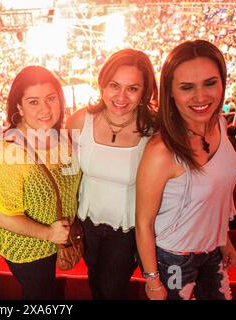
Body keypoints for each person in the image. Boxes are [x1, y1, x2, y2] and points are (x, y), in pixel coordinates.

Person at [136, 40, 236, 300]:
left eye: (210, 83)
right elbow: (144, 222)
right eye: (187, 88)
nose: (201, 97)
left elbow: (217, 192)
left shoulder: (219, 124)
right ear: (170, 92)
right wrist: (152, 281)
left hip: (213, 249)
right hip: (175, 256)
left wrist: (223, 239)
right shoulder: (161, 151)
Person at [0, 66, 81, 300]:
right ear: (19, 107)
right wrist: (48, 234)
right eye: (33, 102)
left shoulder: (62, 139)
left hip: (59, 239)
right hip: (29, 248)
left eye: (51, 98)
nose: (45, 109)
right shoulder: (7, 152)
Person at [67, 49, 158, 299]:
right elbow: (67, 172)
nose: (121, 96)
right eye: (114, 85)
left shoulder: (154, 131)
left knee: (110, 291)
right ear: (103, 85)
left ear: (144, 92)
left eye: (132, 88)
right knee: (95, 284)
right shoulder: (79, 121)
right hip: (86, 225)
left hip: (128, 231)